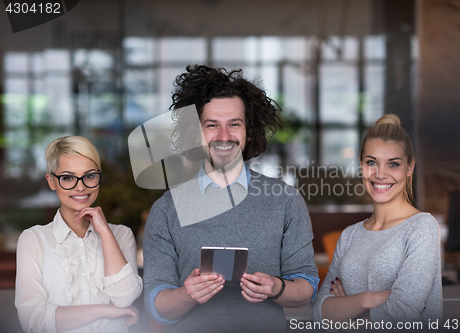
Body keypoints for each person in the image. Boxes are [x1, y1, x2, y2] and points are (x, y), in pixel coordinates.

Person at [142, 65, 319, 333]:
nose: (223, 137)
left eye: (234, 124)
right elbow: (157, 305)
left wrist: (276, 287)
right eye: (212, 125)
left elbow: (306, 287)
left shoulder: (286, 200)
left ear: (249, 132)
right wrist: (187, 295)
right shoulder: (166, 209)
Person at [311, 114, 442, 326]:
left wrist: (347, 314)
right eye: (371, 162)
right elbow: (319, 312)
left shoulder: (421, 227)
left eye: (393, 164)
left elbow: (401, 313)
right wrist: (370, 298)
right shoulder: (349, 235)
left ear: (410, 168)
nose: (380, 174)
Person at [15, 136, 143, 333]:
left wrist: (105, 232)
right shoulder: (33, 240)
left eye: (90, 175)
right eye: (67, 177)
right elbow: (34, 320)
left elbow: (125, 297)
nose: (81, 186)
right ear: (51, 181)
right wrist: (104, 311)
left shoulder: (121, 235)